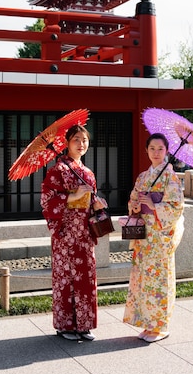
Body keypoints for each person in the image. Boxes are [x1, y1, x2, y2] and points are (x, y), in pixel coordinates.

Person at [41, 124, 108, 341]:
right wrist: (73, 196)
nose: (81, 144)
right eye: (76, 140)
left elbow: (89, 203)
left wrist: (96, 205)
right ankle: (65, 326)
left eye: (85, 140)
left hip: (84, 234)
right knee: (66, 279)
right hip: (66, 233)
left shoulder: (88, 173)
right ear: (67, 143)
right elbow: (47, 201)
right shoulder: (57, 171)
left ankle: (84, 325)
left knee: (86, 278)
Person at [123, 132, 184, 342]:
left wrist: (154, 205)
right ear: (146, 151)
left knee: (159, 280)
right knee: (144, 279)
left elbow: (176, 207)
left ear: (166, 151)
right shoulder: (143, 176)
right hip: (144, 235)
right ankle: (148, 324)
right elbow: (133, 201)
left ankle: (160, 326)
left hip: (160, 235)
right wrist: (136, 205)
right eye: (152, 149)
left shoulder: (170, 177)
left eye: (160, 149)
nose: (156, 153)